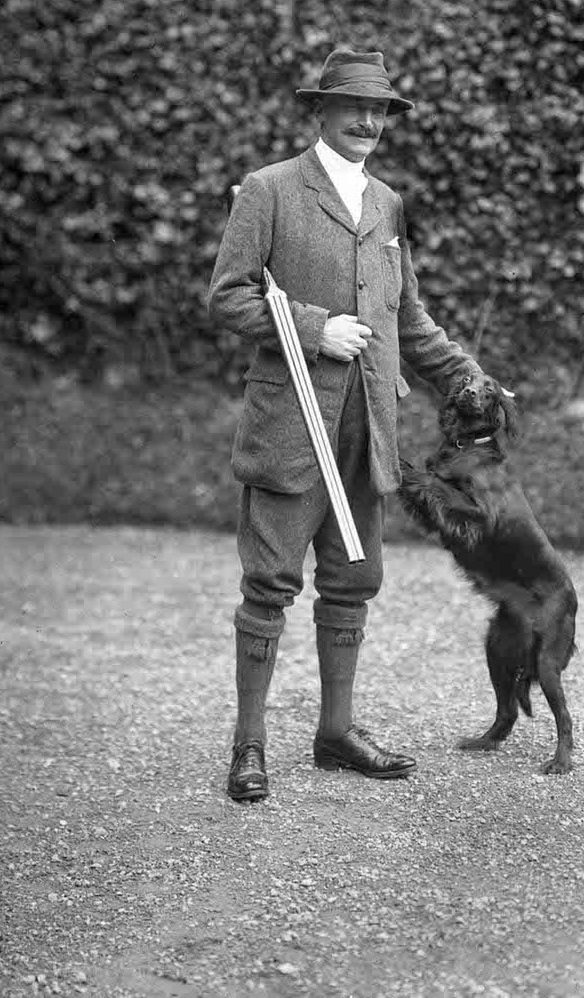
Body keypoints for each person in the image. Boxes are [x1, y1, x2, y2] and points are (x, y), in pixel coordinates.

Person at [208, 46, 492, 802]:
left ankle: (335, 733)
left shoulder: (388, 203)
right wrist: (313, 327)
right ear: (321, 111)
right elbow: (229, 295)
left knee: (354, 577)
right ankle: (250, 744)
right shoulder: (268, 192)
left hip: (368, 424)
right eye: (354, 106)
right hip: (291, 418)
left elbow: (407, 314)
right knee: (268, 583)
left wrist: (463, 372)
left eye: (381, 110)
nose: (369, 120)